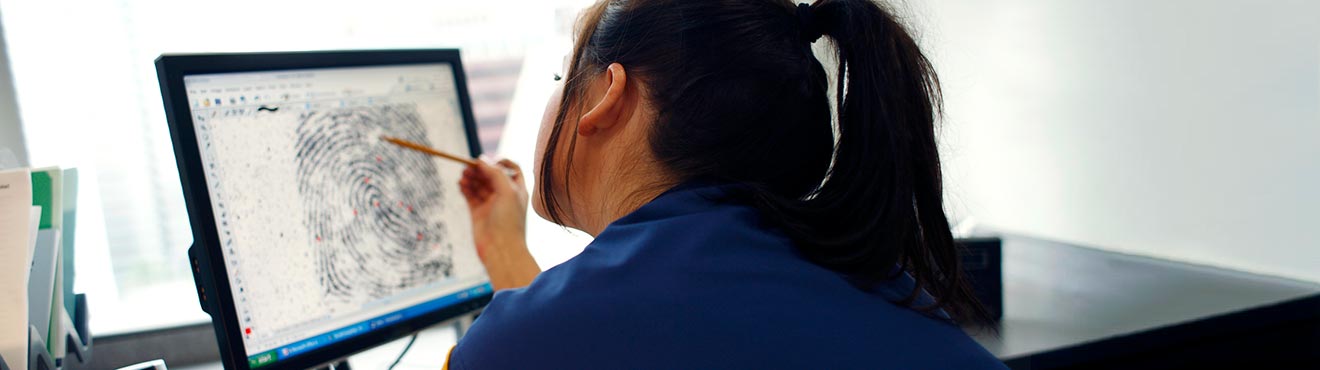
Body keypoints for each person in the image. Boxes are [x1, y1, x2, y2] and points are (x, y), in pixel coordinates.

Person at [451, 0, 1005, 368]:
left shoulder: (518, 347)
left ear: (606, 95)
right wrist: (506, 255)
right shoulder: (886, 294)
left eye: (561, 76)